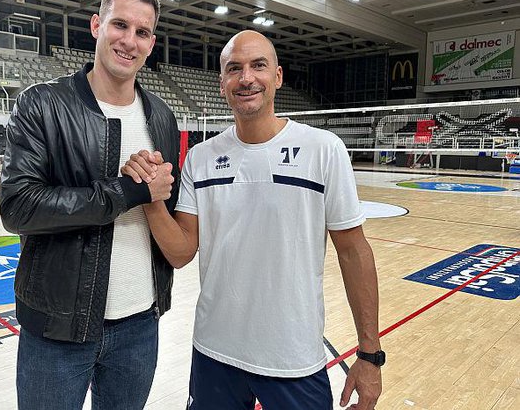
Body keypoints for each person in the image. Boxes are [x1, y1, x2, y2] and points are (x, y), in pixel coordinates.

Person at [122, 30, 383, 410]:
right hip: (214, 353)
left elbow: (354, 251)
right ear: (222, 83)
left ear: (277, 76)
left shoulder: (324, 150)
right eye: (234, 69)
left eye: (258, 65)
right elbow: (180, 252)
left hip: (293, 359)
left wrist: (370, 354)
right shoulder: (201, 157)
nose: (246, 78)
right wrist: (149, 198)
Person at [0, 0, 179, 410]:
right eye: (120, 25)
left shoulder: (163, 117)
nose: (129, 41)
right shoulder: (42, 104)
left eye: (142, 32)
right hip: (57, 329)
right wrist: (125, 191)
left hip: (139, 324)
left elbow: (164, 208)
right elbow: (18, 206)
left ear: (151, 43)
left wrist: (152, 198)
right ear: (97, 25)